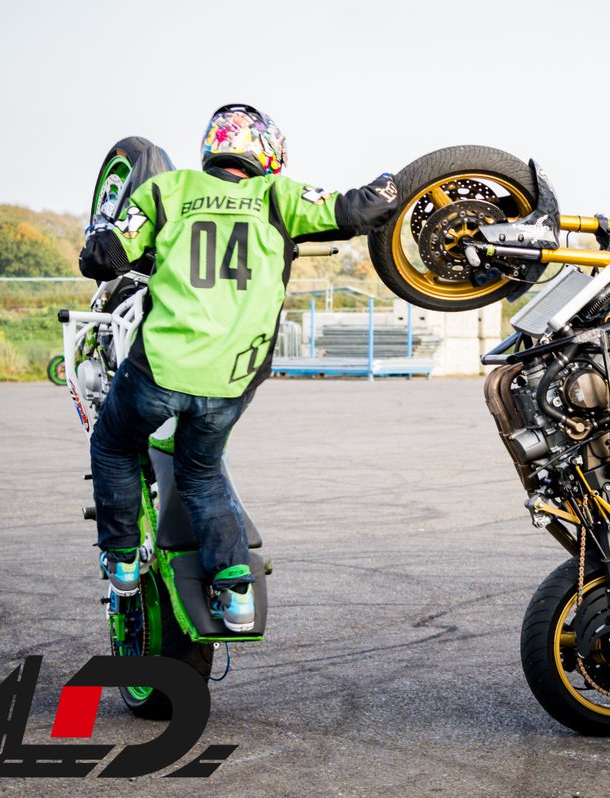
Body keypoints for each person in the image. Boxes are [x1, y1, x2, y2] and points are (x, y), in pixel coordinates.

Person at [79, 103, 398, 631]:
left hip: (161, 367)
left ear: (213, 148)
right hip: (232, 380)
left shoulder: (168, 189)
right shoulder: (279, 196)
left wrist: (98, 244)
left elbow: (107, 257)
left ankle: (124, 561)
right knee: (201, 471)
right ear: (267, 154)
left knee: (113, 443)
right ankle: (235, 591)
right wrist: (395, 181)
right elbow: (358, 209)